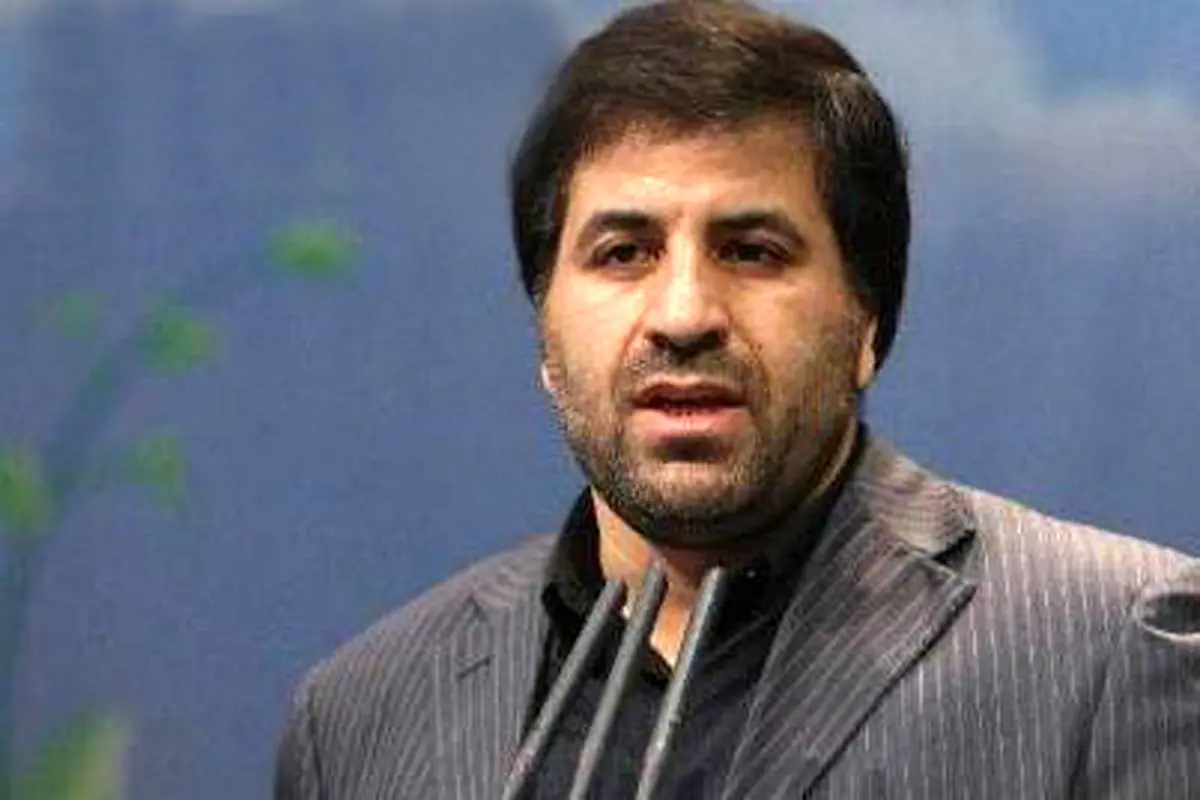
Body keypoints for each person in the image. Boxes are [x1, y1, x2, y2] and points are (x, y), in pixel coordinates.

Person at [274, 2, 1199, 798]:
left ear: (867, 323)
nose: (682, 316)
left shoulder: (1111, 643)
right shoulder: (362, 717)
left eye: (752, 251)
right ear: (544, 332)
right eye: (623, 253)